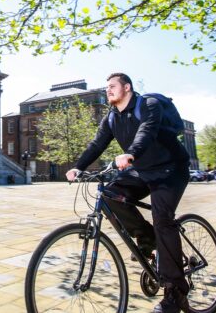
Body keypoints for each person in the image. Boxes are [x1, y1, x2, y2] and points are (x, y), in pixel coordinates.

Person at [67, 73, 191, 313]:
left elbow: (147, 131)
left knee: (163, 219)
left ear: (127, 87)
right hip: (143, 171)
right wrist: (78, 167)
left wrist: (131, 153)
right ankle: (149, 240)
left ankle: (176, 293)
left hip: (171, 170)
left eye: (112, 86)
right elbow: (97, 144)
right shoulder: (112, 118)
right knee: (111, 196)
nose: (108, 90)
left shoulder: (148, 105)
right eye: (106, 88)